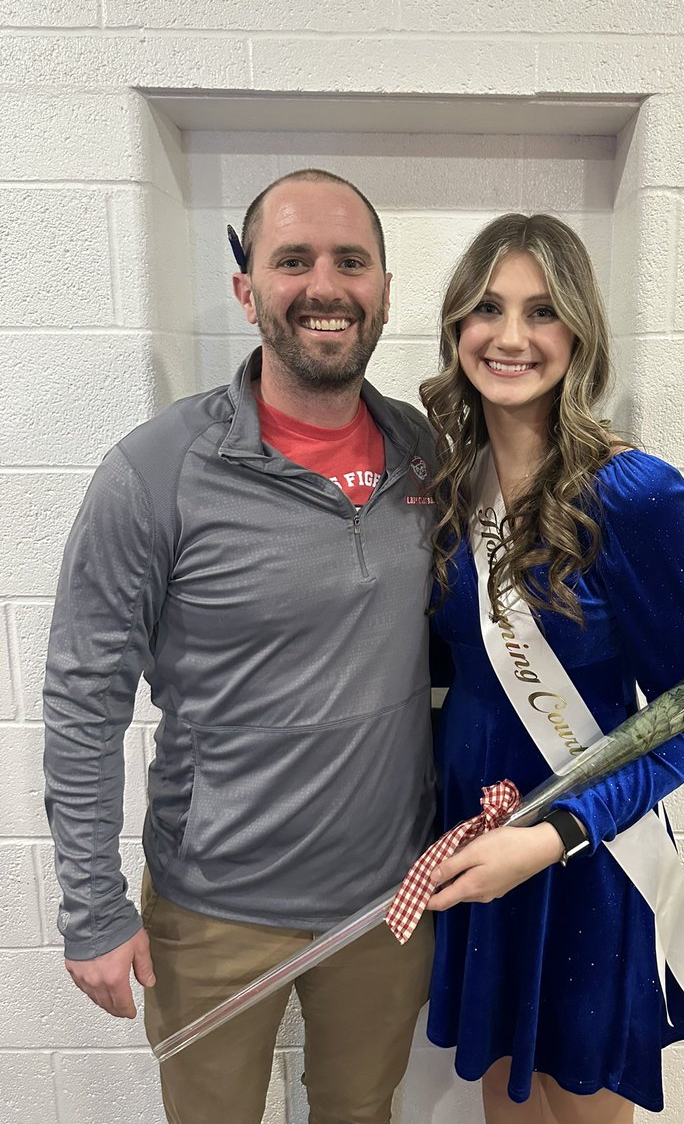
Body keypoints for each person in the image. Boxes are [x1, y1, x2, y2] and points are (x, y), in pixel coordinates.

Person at [43, 169, 437, 1124]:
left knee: (362, 1111)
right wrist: (93, 907)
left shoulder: (430, 457)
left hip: (389, 900)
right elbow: (83, 699)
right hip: (212, 908)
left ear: (384, 286)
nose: (325, 285)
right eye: (291, 260)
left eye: (352, 261)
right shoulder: (156, 471)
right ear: (247, 288)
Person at [419, 213, 684, 1123]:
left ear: (579, 334)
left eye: (542, 312)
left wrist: (549, 839)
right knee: (503, 1093)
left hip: (586, 853)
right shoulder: (448, 488)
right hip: (478, 832)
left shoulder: (635, 496)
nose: (510, 336)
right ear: (457, 330)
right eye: (487, 308)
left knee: (579, 1098)